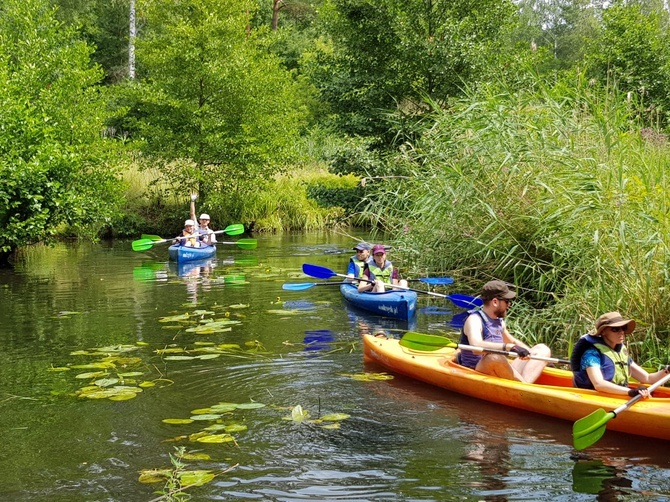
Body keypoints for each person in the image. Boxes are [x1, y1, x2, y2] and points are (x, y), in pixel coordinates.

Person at [459, 280, 551, 383]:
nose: (509, 305)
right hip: (478, 370)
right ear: (495, 302)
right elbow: (476, 347)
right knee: (494, 356)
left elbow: (513, 343)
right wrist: (508, 347)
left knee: (543, 349)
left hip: (499, 367)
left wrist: (534, 356)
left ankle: (525, 386)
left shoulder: (499, 322)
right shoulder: (474, 320)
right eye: (507, 301)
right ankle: (525, 388)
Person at [571, 311, 670, 398]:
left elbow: (647, 378)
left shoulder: (620, 353)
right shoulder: (592, 354)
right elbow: (599, 384)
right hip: (596, 395)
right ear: (603, 331)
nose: (621, 332)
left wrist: (666, 371)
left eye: (623, 328)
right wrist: (630, 392)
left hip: (619, 394)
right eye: (615, 329)